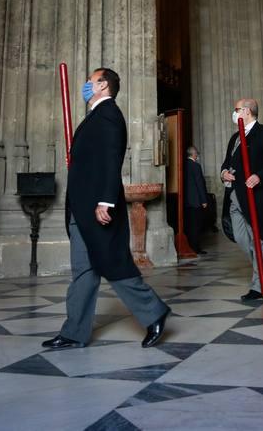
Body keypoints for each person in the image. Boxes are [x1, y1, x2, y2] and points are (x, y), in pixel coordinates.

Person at [44, 68, 170, 350]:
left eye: (90, 80)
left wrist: (106, 200)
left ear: (102, 85)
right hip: (79, 206)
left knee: (114, 265)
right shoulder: (93, 117)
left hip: (97, 207)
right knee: (83, 271)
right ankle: (74, 332)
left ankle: (155, 312)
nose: (85, 84)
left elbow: (111, 159)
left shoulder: (109, 113)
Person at [220, 97, 263, 301]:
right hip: (235, 196)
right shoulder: (235, 138)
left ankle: (259, 285)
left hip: (256, 196)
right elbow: (227, 162)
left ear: (247, 111)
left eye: (236, 109)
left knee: (260, 240)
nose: (234, 112)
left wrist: (259, 175)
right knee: (240, 237)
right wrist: (223, 172)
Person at [183, 146, 208, 255]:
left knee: (189, 225)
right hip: (196, 201)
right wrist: (204, 200)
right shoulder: (195, 166)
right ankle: (195, 248)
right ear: (194, 154)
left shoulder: (183, 165)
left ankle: (190, 246)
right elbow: (199, 184)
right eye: (196, 153)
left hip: (186, 201)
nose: (197, 155)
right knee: (196, 226)